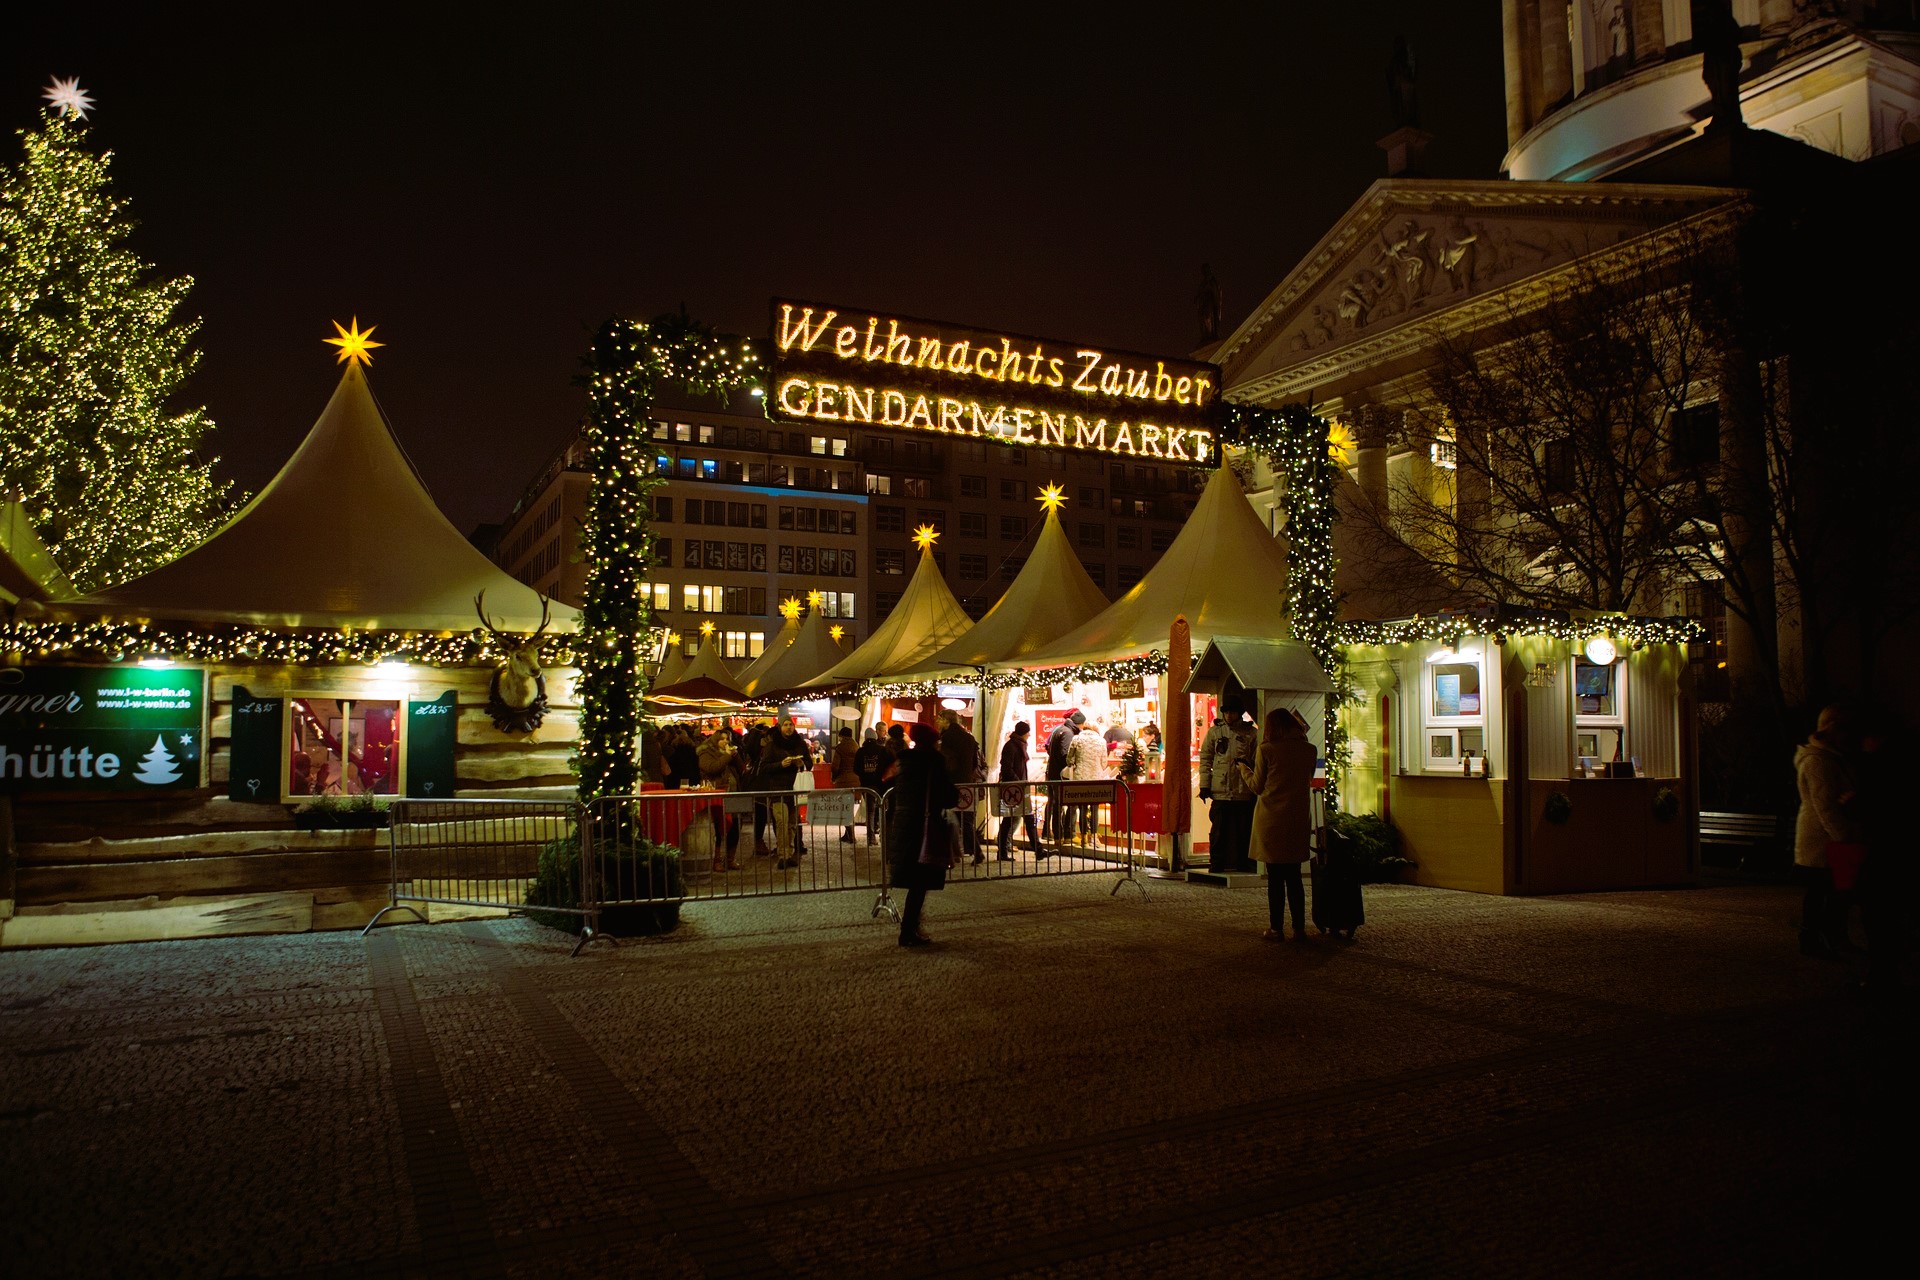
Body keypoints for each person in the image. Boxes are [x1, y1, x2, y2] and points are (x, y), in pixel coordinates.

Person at [1242, 708, 1317, 941]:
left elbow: (1257, 785)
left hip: (1272, 819)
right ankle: (1299, 928)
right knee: (1294, 877)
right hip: (1296, 818)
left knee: (1275, 878)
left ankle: (1276, 928)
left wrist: (1243, 769)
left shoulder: (1267, 750)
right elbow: (1307, 779)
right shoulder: (1309, 750)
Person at [1794, 704, 1860, 960]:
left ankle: (1820, 939)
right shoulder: (1819, 761)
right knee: (1827, 893)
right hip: (1824, 840)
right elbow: (1826, 807)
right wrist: (1844, 835)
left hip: (1823, 839)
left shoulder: (1827, 758)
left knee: (1825, 893)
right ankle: (1822, 939)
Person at [887, 723, 958, 947]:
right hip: (924, 827)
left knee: (916, 882)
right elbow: (948, 796)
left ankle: (910, 928)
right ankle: (908, 931)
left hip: (906, 826)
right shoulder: (933, 762)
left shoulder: (905, 761)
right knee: (920, 881)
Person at [1200, 695, 1259, 874]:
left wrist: (1255, 786)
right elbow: (1206, 759)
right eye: (1226, 712)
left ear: (1240, 713)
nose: (1228, 716)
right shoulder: (1215, 732)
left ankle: (1245, 862)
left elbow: (1257, 761)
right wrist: (1205, 785)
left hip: (1243, 789)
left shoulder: (1251, 733)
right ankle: (1216, 863)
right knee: (1218, 831)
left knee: (1245, 831)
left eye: (1232, 712)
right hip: (1220, 790)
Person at [758, 714, 814, 868]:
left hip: (795, 788)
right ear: (780, 727)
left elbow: (809, 763)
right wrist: (780, 764)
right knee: (781, 822)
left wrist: (802, 763)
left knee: (792, 823)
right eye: (786, 725)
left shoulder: (800, 743)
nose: (789, 727)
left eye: (791, 724)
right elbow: (764, 767)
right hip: (778, 789)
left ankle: (790, 853)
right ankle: (782, 855)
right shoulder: (772, 745)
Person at [938, 710, 984, 863]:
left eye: (940, 719)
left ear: (946, 720)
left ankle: (954, 853)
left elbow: (944, 762)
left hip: (951, 782)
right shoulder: (968, 737)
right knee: (966, 819)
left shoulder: (947, 737)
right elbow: (975, 763)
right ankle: (973, 851)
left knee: (949, 818)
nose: (938, 722)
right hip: (967, 782)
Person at [995, 721, 1045, 861]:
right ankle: (1004, 851)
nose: (1029, 734)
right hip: (1015, 789)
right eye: (1028, 732)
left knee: (1021, 819)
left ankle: (1037, 849)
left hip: (1018, 788)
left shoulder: (1017, 745)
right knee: (1010, 820)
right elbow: (1007, 768)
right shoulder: (1012, 746)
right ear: (1024, 732)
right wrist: (1018, 782)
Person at [697, 723, 742, 868]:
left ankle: (730, 859)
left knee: (735, 826)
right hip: (717, 794)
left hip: (733, 793)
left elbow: (742, 769)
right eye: (722, 739)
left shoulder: (729, 753)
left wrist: (735, 756)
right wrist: (727, 756)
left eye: (727, 739)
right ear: (715, 740)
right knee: (718, 827)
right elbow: (712, 768)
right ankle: (716, 859)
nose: (725, 742)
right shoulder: (705, 753)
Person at [1067, 714, 1109, 840]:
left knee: (1083, 807)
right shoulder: (1101, 741)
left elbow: (1069, 759)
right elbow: (1104, 762)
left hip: (1080, 778)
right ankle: (1094, 836)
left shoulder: (1076, 739)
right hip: (1096, 779)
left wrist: (1075, 763)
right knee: (1095, 807)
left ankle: (1084, 837)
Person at [1044, 710, 1082, 842]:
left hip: (1053, 773)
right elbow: (1065, 755)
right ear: (1079, 724)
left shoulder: (1058, 729)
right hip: (1062, 776)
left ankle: (1058, 836)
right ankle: (1065, 835)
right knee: (1066, 804)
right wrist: (1072, 763)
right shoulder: (1068, 733)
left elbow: (1048, 748)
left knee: (1056, 804)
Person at [853, 727, 891, 844]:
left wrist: (864, 775)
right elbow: (887, 765)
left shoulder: (860, 751)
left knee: (870, 811)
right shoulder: (882, 750)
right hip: (880, 785)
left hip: (866, 784)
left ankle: (871, 838)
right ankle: (883, 836)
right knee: (883, 809)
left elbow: (856, 768)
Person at [832, 726, 859, 842]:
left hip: (843, 781)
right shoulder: (856, 746)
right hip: (856, 781)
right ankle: (847, 834)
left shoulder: (840, 748)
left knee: (843, 809)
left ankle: (851, 835)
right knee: (849, 808)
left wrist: (834, 777)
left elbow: (835, 766)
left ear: (841, 736)